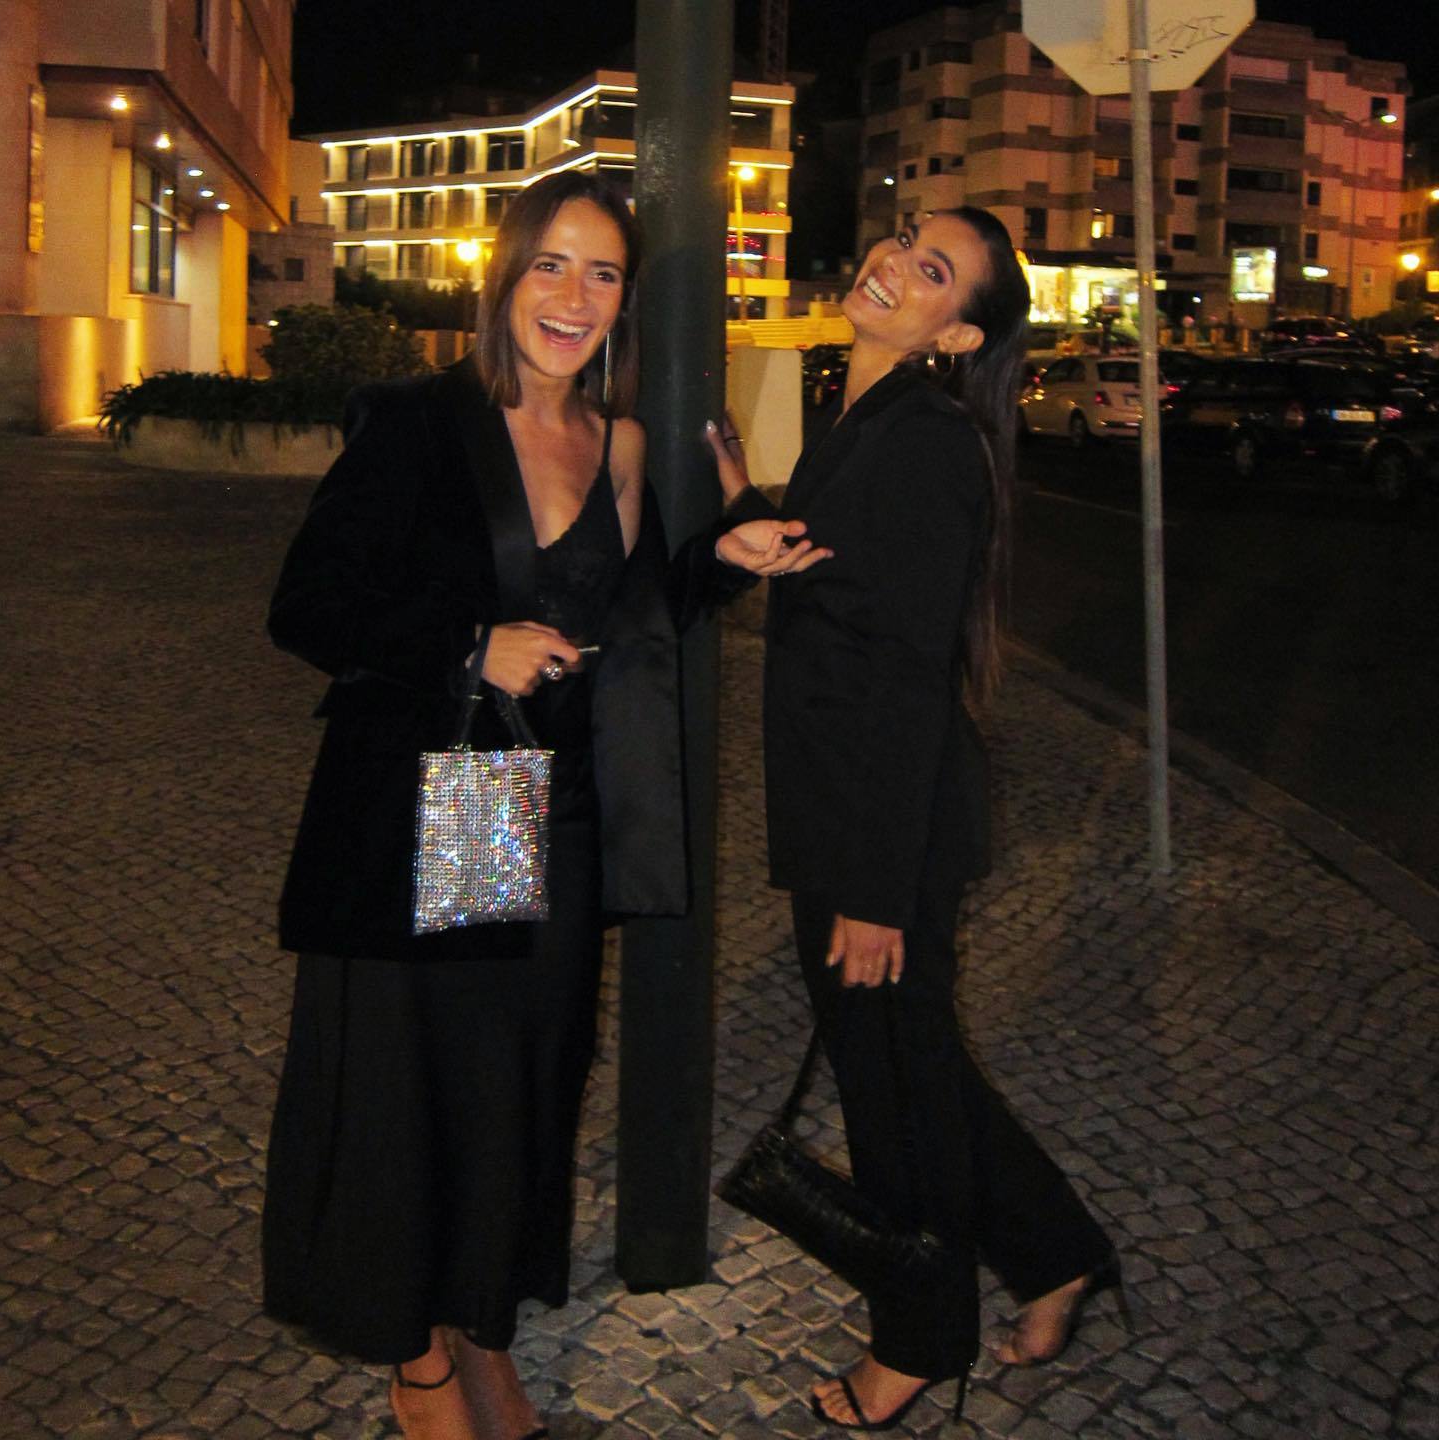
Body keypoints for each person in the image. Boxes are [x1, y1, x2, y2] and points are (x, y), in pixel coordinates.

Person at [260, 170, 823, 1440]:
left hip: (547, 806)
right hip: (440, 796)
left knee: (518, 1080)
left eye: (603, 272)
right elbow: (307, 606)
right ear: (506, 277)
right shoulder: (420, 423)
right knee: (417, 1081)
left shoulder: (618, 446)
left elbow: (622, 618)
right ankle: (414, 1351)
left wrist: (720, 564)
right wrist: (468, 646)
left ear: (624, 300)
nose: (575, 296)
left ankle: (483, 1324)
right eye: (553, 265)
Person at [707, 208, 1120, 1430]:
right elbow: (847, 580)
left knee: (893, 1088)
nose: (890, 262)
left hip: (878, 828)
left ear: (961, 333)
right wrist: (744, 502)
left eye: (930, 269)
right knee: (913, 1061)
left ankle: (922, 1336)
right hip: (849, 806)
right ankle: (1054, 1252)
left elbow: (905, 670)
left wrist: (876, 890)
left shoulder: (927, 441)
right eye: (902, 241)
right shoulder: (868, 412)